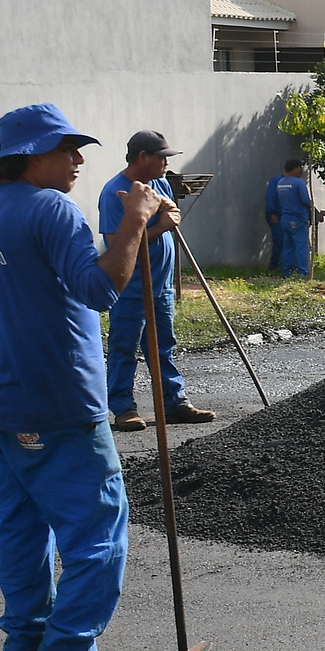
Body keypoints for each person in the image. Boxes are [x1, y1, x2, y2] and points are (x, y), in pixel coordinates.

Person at [0, 104, 178, 651]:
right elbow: (101, 288)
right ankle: (71, 647)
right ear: (32, 156)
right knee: (97, 528)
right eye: (67, 149)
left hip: (0, 403)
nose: (79, 159)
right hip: (61, 400)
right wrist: (134, 222)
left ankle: (24, 646)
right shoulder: (52, 207)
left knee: (20, 532)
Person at [99, 130, 213, 432]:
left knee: (163, 346)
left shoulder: (160, 182)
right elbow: (118, 247)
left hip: (160, 286)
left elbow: (169, 208)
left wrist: (169, 209)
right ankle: (123, 409)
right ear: (143, 158)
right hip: (130, 287)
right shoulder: (114, 193)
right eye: (162, 157)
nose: (167, 163)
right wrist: (162, 226)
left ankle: (174, 403)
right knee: (124, 348)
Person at [273, 158, 313, 277]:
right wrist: (313, 209)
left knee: (288, 246)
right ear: (296, 168)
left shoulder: (280, 182)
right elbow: (305, 200)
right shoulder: (299, 183)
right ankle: (303, 272)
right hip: (298, 218)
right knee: (301, 246)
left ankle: (287, 272)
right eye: (300, 168)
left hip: (285, 218)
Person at [264, 169, 284, 272]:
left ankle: (281, 266)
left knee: (284, 241)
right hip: (277, 215)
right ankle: (275, 266)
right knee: (280, 240)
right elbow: (270, 197)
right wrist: (273, 213)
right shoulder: (277, 180)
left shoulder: (289, 181)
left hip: (284, 215)